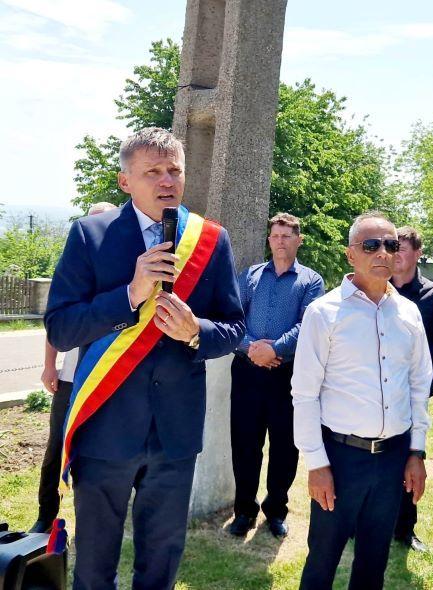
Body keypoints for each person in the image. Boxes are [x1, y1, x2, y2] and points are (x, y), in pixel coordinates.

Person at [45, 127, 244, 589]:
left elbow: (234, 328)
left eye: (174, 170)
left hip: (175, 431)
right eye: (152, 171)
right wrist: (130, 296)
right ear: (125, 181)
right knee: (94, 566)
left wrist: (196, 332)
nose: (167, 180)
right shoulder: (90, 235)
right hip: (105, 426)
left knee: (161, 563)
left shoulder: (211, 240)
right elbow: (61, 327)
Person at [292, 211, 433, 590]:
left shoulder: (409, 313)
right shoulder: (324, 312)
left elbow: (419, 385)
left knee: (374, 560)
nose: (383, 253)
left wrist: (416, 452)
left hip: (393, 458)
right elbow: (304, 394)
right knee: (322, 560)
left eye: (391, 245)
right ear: (350, 254)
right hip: (340, 459)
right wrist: (316, 463)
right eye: (371, 245)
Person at [228, 212, 325, 538]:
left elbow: (307, 325)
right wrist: (252, 348)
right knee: (245, 444)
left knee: (285, 447)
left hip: (287, 375)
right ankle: (244, 511)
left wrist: (275, 350)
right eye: (275, 236)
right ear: (269, 240)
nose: (280, 241)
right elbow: (233, 317)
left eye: (286, 236)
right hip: (247, 372)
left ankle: (276, 510)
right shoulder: (250, 276)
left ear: (299, 240)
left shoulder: (311, 281)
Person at [30, 202, 117, 534]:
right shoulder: (74, 270)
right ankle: (45, 515)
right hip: (69, 381)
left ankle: (92, 521)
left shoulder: (120, 272)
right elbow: (56, 323)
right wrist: (49, 366)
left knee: (97, 454)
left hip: (106, 379)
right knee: (55, 449)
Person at [390, 225, 433, 552]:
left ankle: (405, 529)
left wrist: (413, 356)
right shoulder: (378, 287)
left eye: (402, 249)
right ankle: (363, 523)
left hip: (413, 391)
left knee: (410, 458)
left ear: (417, 254)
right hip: (377, 390)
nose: (396, 255)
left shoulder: (432, 295)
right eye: (393, 248)